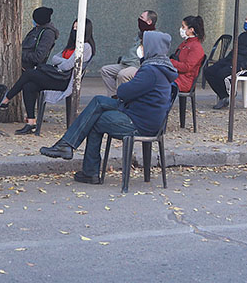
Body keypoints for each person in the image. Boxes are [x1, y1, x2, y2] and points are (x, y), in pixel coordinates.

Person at [39, 30, 177, 184]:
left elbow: (123, 92)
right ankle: (67, 147)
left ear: (152, 47)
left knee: (94, 120)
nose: (140, 48)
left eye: (143, 45)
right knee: (98, 101)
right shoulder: (160, 68)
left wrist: (128, 87)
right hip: (142, 115)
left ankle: (87, 169)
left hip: (139, 121)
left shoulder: (150, 70)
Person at [6, 19, 95, 134]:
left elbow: (66, 66)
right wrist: (65, 61)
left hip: (65, 80)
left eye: (77, 28)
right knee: (29, 86)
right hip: (57, 75)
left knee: (29, 73)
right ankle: (31, 122)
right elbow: (54, 58)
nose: (74, 30)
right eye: (73, 28)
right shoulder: (72, 45)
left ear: (85, 30)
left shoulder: (86, 47)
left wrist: (63, 62)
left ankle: (7, 98)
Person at [206, 12, 247, 109]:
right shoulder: (243, 35)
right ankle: (224, 96)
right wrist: (225, 61)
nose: (245, 22)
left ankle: (228, 96)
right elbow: (234, 51)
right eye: (245, 20)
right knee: (209, 71)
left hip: (244, 67)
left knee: (222, 74)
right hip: (231, 62)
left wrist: (243, 66)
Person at [100, 10, 157, 95]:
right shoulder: (140, 34)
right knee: (105, 70)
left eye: (142, 17)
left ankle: (123, 98)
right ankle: (113, 96)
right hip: (126, 64)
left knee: (122, 74)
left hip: (137, 66)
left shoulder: (153, 36)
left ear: (149, 22)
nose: (139, 19)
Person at [171, 15, 206, 94]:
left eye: (183, 27)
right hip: (178, 76)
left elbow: (186, 67)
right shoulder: (186, 43)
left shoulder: (195, 47)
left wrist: (170, 62)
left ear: (191, 30)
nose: (181, 29)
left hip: (184, 81)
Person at [21, 6, 59, 73]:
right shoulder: (36, 29)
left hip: (29, 68)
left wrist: (20, 54)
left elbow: (38, 57)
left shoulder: (48, 34)